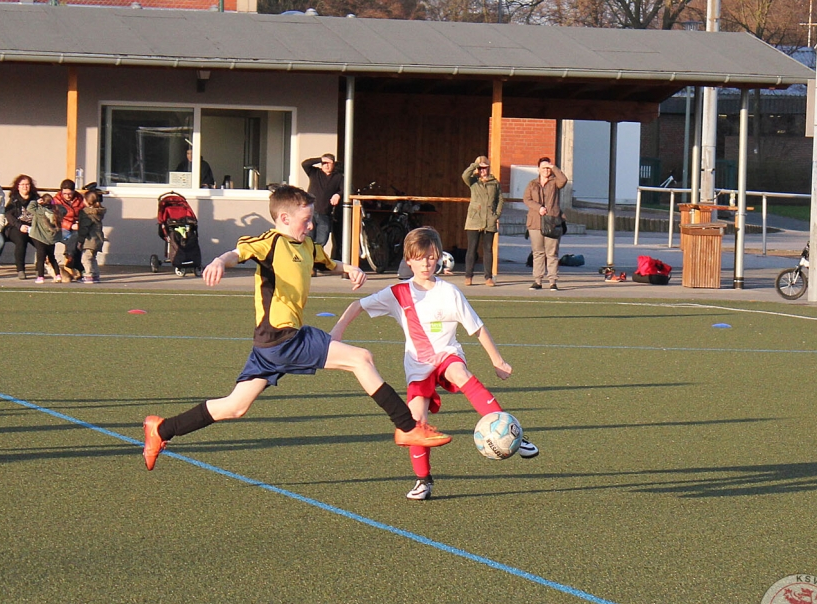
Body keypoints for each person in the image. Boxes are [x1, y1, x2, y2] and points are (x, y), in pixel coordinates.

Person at [141, 185, 452, 471]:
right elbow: (237, 253)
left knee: (234, 407)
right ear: (285, 218)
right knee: (361, 359)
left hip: (270, 344)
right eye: (306, 220)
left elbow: (330, 264)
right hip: (282, 339)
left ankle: (162, 428)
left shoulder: (307, 247)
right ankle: (408, 427)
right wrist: (220, 262)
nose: (311, 225)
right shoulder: (270, 242)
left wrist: (351, 269)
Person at [331, 227, 537, 501]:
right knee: (416, 422)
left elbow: (477, 328)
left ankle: (515, 434)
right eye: (419, 258)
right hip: (417, 368)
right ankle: (423, 481)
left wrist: (497, 361)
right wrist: (337, 332)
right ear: (408, 259)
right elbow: (358, 304)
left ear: (438, 257)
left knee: (459, 371)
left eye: (430, 257)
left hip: (447, 355)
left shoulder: (449, 292)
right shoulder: (398, 293)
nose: (426, 263)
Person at [525, 157, 568, 290]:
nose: (546, 171)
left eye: (548, 168)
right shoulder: (532, 184)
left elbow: (564, 180)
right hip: (535, 222)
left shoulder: (555, 182)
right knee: (538, 252)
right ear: (538, 169)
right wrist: (539, 208)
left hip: (552, 222)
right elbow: (526, 199)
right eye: (543, 168)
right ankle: (537, 280)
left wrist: (553, 167)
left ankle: (552, 281)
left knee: (552, 252)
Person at [462, 156, 503, 287]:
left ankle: (488, 277)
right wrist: (475, 165)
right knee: (472, 249)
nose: (483, 171)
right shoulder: (473, 181)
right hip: (474, 220)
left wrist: (496, 215)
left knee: (488, 250)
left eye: (485, 168)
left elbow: (500, 200)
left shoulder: (495, 183)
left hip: (489, 220)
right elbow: (465, 175)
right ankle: (468, 276)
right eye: (481, 168)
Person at [301, 154, 342, 260]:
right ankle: (310, 267)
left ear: (333, 164)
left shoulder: (338, 177)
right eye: (324, 163)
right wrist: (320, 159)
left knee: (321, 240)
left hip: (325, 214)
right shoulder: (315, 173)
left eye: (329, 163)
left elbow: (347, 189)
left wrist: (338, 194)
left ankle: (314, 261)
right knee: (309, 239)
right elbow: (305, 164)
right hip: (310, 213)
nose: (326, 166)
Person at [5, 174, 39, 280]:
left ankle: (39, 269)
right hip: (15, 227)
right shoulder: (14, 200)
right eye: (22, 184)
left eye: (27, 184)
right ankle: (21, 270)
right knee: (21, 241)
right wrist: (20, 226)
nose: (25, 187)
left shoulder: (36, 199)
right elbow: (9, 215)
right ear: (18, 186)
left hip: (33, 227)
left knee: (41, 242)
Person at [27, 194, 63, 285]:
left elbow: (30, 208)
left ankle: (40, 276)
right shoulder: (57, 212)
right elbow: (65, 210)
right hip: (51, 239)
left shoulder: (40, 211)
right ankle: (58, 275)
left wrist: (35, 202)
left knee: (40, 258)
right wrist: (55, 205)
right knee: (52, 257)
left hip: (41, 237)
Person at [52, 179, 84, 281]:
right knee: (75, 240)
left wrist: (80, 223)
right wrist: (70, 225)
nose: (67, 196)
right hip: (61, 227)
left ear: (74, 192)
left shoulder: (80, 199)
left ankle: (71, 260)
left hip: (76, 226)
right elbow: (54, 218)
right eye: (65, 193)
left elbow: (84, 214)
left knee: (79, 238)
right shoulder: (55, 201)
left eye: (70, 193)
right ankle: (75, 265)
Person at [77, 190, 105, 283]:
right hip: (97, 240)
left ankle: (89, 275)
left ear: (87, 201)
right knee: (92, 258)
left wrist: (80, 240)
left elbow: (84, 228)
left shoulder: (87, 214)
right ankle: (96, 275)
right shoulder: (98, 213)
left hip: (90, 241)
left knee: (86, 258)